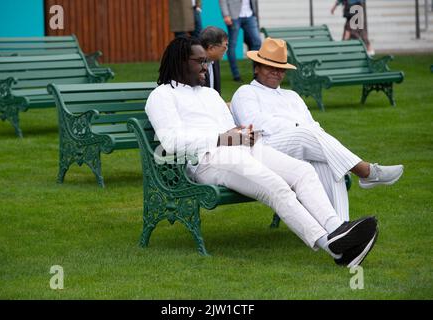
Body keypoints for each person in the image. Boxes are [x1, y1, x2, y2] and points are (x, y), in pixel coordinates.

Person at [145, 36, 379, 268]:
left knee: (303, 171)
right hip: (207, 160)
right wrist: (226, 138)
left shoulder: (209, 94)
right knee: (275, 185)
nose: (207, 67)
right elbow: (171, 141)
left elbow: (230, 129)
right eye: (200, 62)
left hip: (241, 149)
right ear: (181, 62)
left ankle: (337, 228)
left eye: (207, 61)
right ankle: (332, 246)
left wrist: (243, 135)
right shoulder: (162, 96)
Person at [230, 37, 404, 222]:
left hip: (300, 148)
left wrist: (304, 130)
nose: (276, 72)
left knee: (329, 164)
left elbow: (313, 125)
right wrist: (299, 128)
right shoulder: (245, 92)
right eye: (269, 66)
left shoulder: (292, 95)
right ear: (256, 67)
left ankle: (340, 229)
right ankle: (365, 171)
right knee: (306, 135)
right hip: (264, 149)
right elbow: (255, 125)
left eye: (280, 68)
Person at [219, 0, 261, 82]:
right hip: (234, 15)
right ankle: (236, 75)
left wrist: (255, 14)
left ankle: (257, 74)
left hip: (250, 15)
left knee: (257, 43)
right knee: (232, 45)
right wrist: (226, 14)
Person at [199, 26, 228, 95]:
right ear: (211, 48)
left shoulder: (215, 60)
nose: (226, 49)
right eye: (225, 45)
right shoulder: (194, 66)